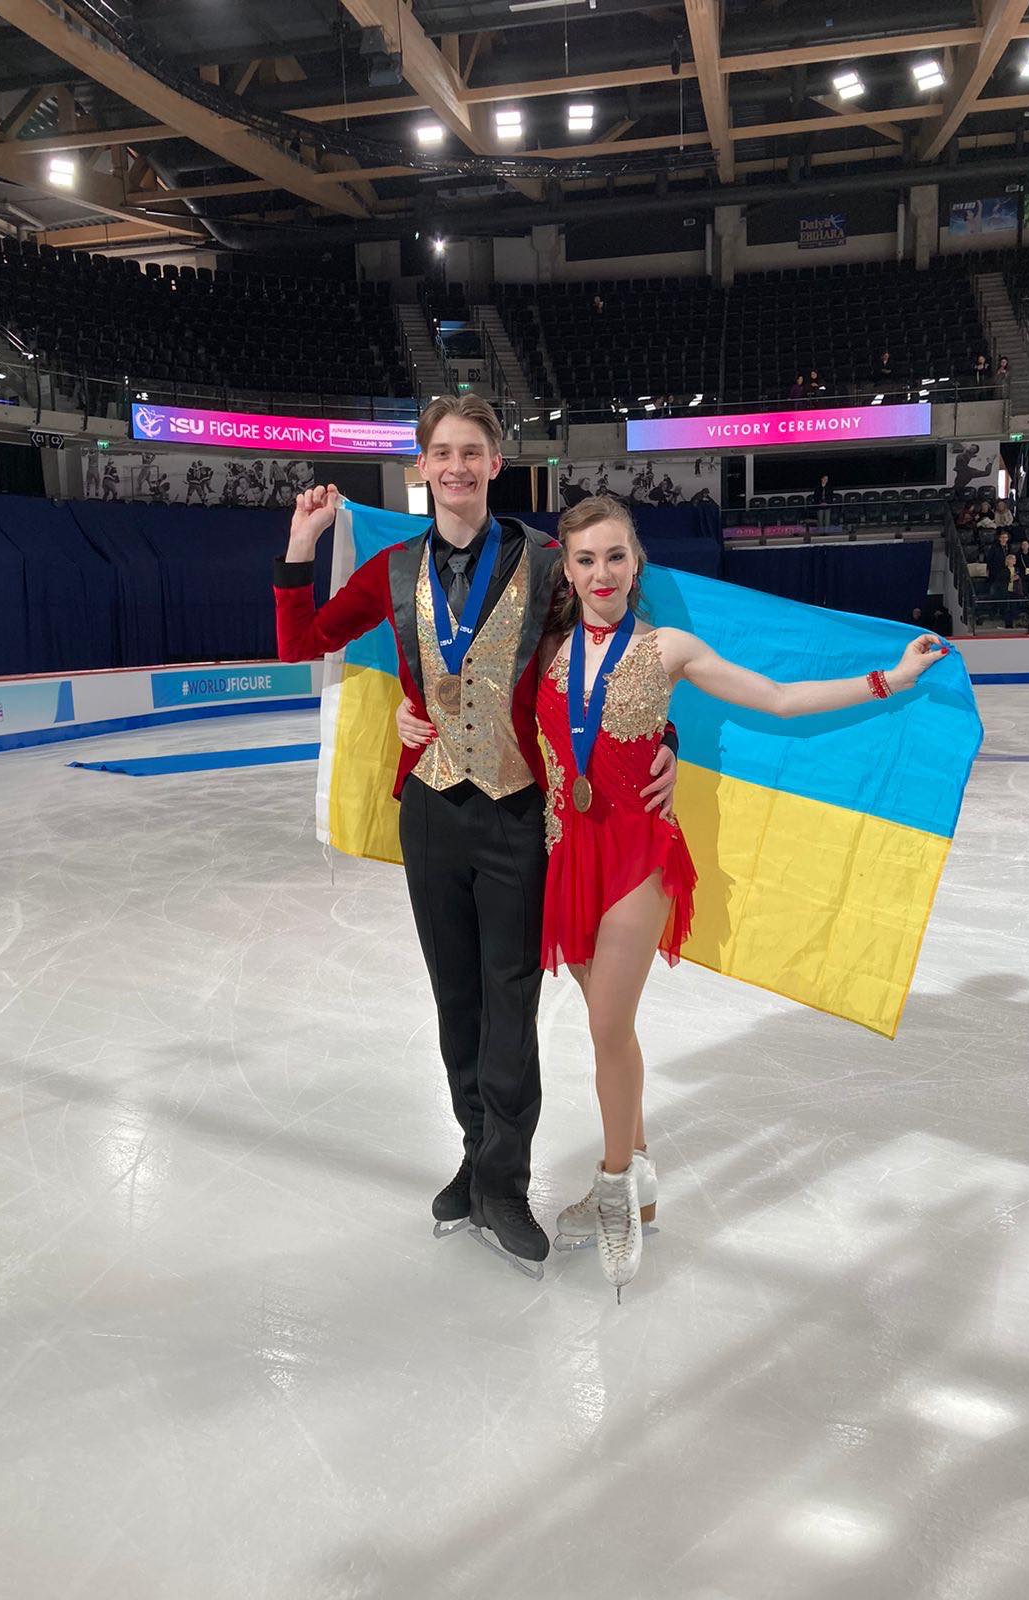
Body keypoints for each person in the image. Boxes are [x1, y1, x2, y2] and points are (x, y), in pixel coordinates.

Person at [398, 495, 947, 1300]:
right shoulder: (542, 646)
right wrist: (411, 712)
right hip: (564, 854)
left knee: (607, 1025)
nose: (602, 573)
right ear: (566, 571)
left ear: (637, 562)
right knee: (611, 1033)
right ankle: (642, 1183)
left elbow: (777, 698)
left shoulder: (669, 648)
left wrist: (888, 679)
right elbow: (463, 687)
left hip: (636, 857)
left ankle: (615, 1187)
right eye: (586, 559)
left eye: (615, 556)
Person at [274, 395, 678, 1280]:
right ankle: (472, 1156)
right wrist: (301, 545)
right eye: (442, 453)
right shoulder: (390, 571)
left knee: (510, 1000)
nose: (456, 467)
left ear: (498, 463)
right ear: (421, 467)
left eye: (472, 452)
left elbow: (611, 661)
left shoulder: (548, 562)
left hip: (516, 812)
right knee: (456, 997)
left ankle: (504, 1180)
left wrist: (666, 742)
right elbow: (301, 639)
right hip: (429, 810)